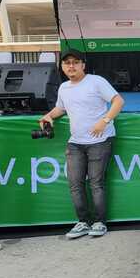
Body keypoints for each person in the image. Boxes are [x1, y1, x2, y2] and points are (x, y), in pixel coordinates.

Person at [39, 49, 124, 239]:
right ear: (62, 67)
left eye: (75, 62)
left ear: (83, 65)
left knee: (96, 183)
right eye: (67, 63)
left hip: (100, 141)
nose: (71, 66)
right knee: (75, 184)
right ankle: (83, 222)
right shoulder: (64, 88)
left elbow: (118, 101)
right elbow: (61, 108)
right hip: (75, 143)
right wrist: (48, 116)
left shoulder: (96, 81)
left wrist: (105, 121)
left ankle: (100, 222)